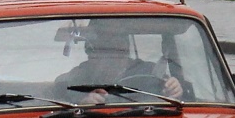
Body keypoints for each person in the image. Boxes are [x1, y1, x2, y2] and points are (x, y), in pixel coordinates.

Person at [55, 20, 186, 103]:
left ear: (126, 45)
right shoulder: (77, 77)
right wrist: (85, 102)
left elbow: (170, 98)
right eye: (106, 41)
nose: (115, 47)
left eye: (120, 39)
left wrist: (174, 89)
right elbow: (60, 105)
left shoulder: (150, 71)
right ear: (91, 49)